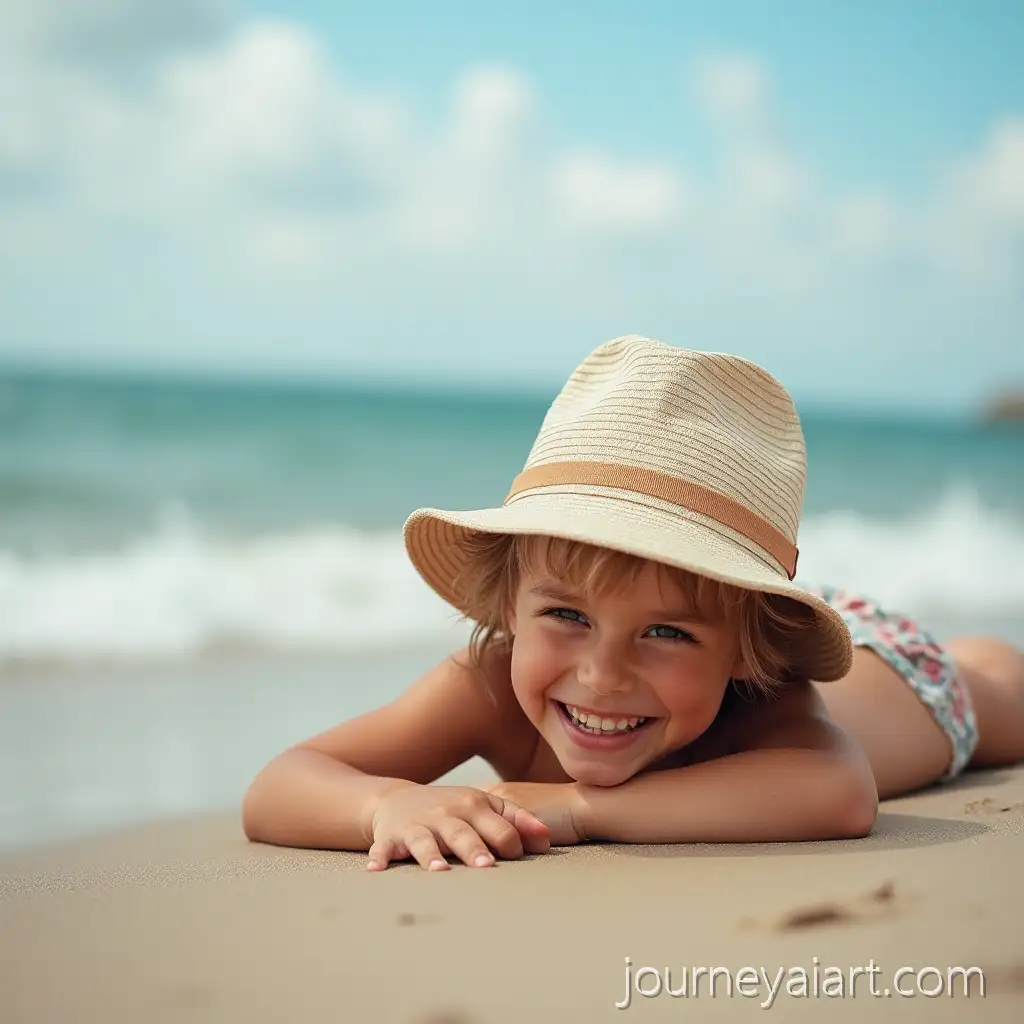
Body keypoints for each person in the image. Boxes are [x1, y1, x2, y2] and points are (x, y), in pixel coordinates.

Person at [242, 336, 1024, 871]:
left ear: (740, 655)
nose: (603, 674)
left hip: (906, 679)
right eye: (568, 617)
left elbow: (843, 793)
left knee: (999, 688)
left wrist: (579, 809)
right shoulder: (485, 682)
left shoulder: (761, 694)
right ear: (511, 605)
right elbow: (283, 781)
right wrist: (383, 806)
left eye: (664, 633)